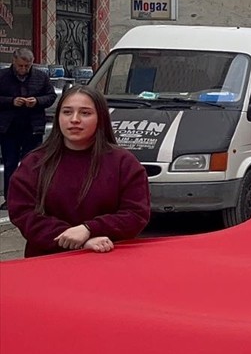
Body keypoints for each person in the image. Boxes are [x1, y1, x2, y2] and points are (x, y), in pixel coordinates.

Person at [7, 86, 150, 258]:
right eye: (67, 112)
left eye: (85, 113)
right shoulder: (35, 163)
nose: (74, 119)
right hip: (48, 262)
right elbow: (23, 213)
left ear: (100, 118)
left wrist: (90, 229)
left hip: (108, 259)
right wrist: (75, 239)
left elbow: (136, 213)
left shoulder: (124, 163)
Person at [0, 49, 56, 208]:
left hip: (33, 127)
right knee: (10, 162)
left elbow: (51, 96)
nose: (23, 69)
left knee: (31, 163)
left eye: (26, 66)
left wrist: (37, 101)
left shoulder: (40, 77)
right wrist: (11, 101)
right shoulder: (3, 76)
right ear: (13, 62)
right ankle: (10, 198)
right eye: (20, 66)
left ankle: (30, 197)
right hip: (9, 128)